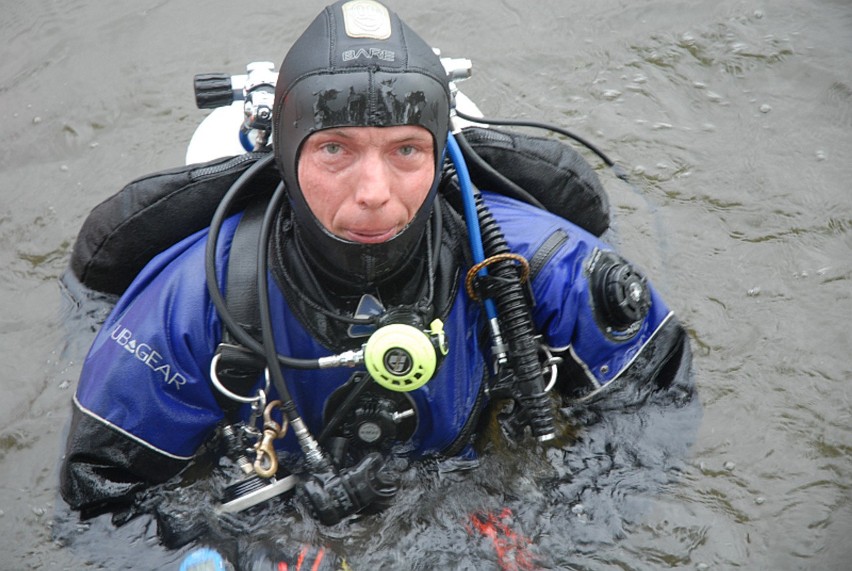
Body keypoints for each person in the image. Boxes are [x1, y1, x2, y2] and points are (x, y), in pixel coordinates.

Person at [60, 0, 691, 531]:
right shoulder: (193, 303)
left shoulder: (544, 266)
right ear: (284, 153)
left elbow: (657, 427)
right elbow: (100, 510)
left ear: (442, 153)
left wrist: (525, 528)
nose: (374, 192)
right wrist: (260, 542)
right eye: (335, 148)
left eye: (406, 150)